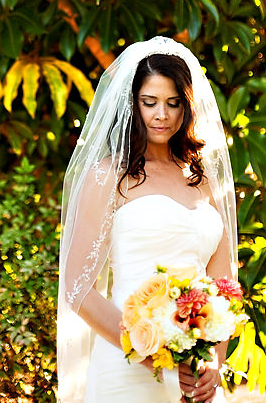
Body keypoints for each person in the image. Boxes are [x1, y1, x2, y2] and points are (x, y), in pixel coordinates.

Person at [57, 37, 238, 402]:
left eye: (173, 104)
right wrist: (149, 350)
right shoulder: (108, 176)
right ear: (132, 104)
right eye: (149, 102)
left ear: (186, 108)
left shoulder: (203, 180)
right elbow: (77, 288)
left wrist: (213, 366)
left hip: (195, 374)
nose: (161, 115)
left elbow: (224, 286)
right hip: (126, 368)